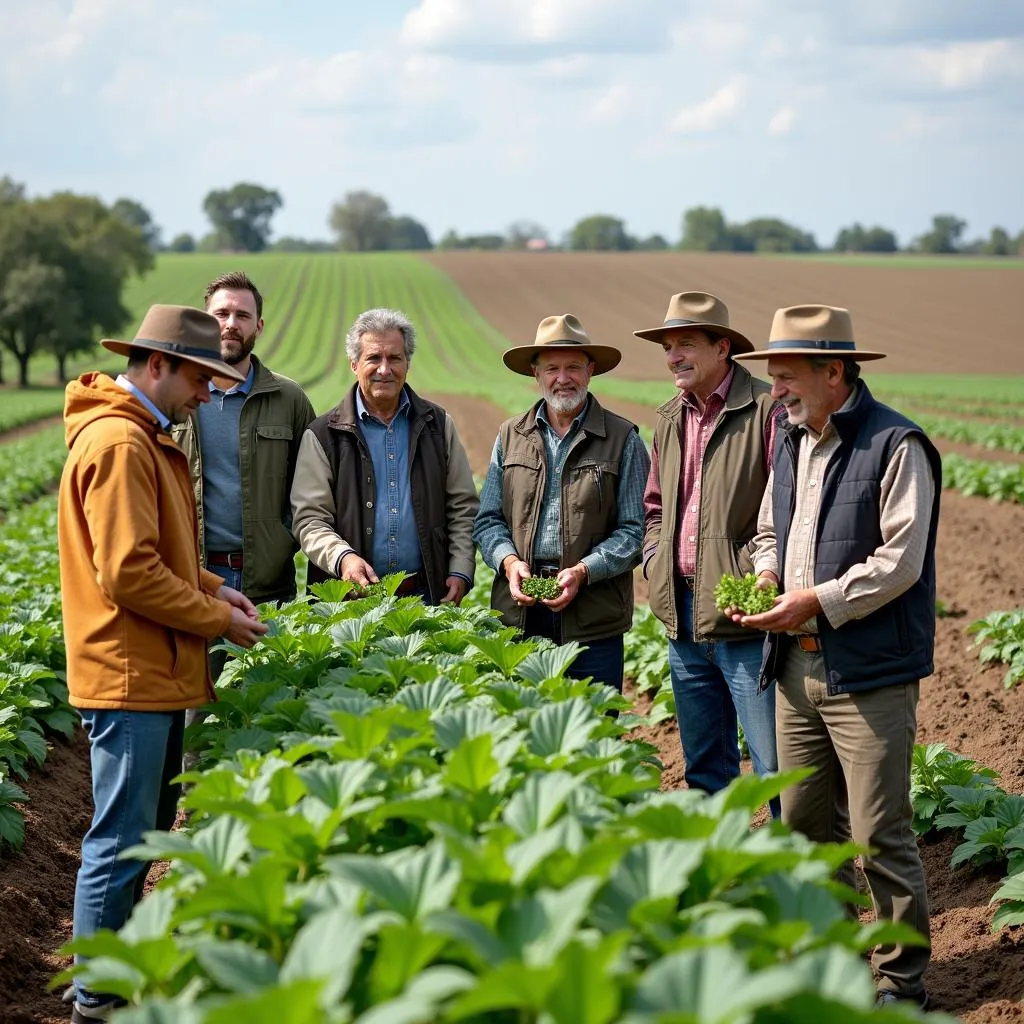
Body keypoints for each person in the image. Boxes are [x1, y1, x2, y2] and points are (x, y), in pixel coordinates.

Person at [58, 305, 269, 1023]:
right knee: (118, 843)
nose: (207, 394)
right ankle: (96, 999)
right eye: (200, 378)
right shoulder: (121, 443)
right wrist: (215, 616)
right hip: (128, 675)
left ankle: (112, 982)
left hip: (148, 670)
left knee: (137, 836)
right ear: (158, 365)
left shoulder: (142, 436)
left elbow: (165, 557)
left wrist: (218, 594)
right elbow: (130, 573)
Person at [729, 303, 940, 1009]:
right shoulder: (790, 440)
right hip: (793, 669)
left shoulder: (896, 444)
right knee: (804, 829)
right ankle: (831, 969)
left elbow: (901, 560)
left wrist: (815, 599)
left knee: (880, 833)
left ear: (834, 371)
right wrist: (765, 576)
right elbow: (768, 529)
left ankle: (898, 985)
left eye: (786, 376)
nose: (776, 390)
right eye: (772, 376)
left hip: (869, 674)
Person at [635, 291, 781, 814]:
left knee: (773, 767)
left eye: (687, 344)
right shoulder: (670, 417)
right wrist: (655, 562)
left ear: (723, 348)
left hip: (747, 618)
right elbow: (653, 508)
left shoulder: (767, 409)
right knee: (705, 768)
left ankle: (792, 883)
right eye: (669, 346)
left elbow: (785, 511)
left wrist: (754, 575)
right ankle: (721, 878)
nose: (674, 355)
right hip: (683, 620)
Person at [473, 313, 650, 690]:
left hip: (594, 619)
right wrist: (509, 563)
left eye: (573, 367)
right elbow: (488, 520)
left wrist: (584, 571)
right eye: (551, 368)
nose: (562, 377)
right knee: (526, 728)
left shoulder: (623, 439)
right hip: (520, 616)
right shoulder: (510, 436)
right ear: (536, 375)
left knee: (596, 730)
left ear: (590, 371)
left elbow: (638, 530)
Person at [290, 307, 478, 603]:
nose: (384, 369)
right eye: (373, 358)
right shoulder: (324, 435)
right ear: (354, 364)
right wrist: (343, 559)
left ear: (408, 363)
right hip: (349, 599)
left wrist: (461, 568)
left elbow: (462, 507)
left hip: (426, 594)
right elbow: (310, 519)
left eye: (394, 358)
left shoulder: (438, 426)